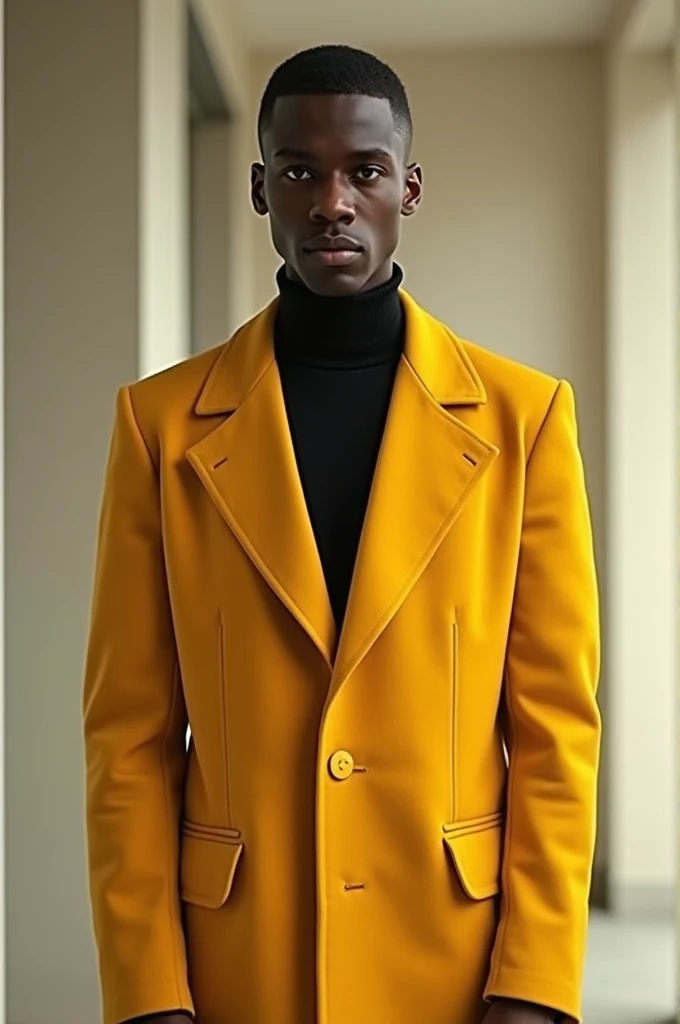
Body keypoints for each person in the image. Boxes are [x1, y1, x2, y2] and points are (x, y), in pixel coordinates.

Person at [83, 43, 600, 1024]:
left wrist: (533, 984)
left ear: (407, 187)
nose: (330, 201)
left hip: (452, 952)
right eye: (298, 170)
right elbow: (128, 740)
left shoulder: (521, 419)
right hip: (238, 959)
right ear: (258, 187)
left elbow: (553, 731)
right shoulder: (160, 426)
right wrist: (147, 991)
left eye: (362, 171)